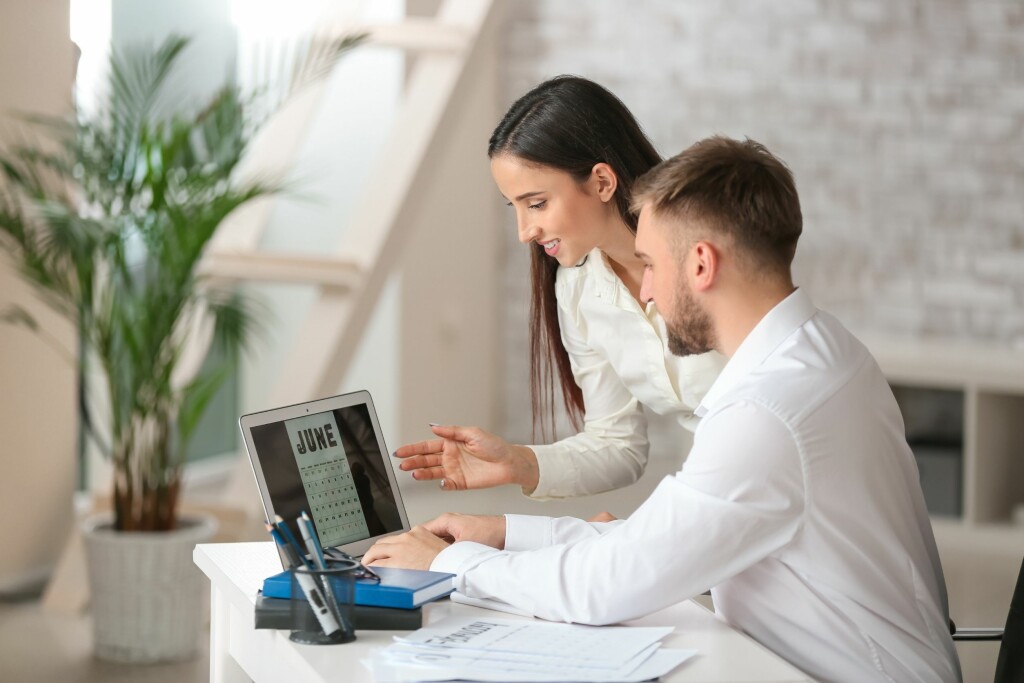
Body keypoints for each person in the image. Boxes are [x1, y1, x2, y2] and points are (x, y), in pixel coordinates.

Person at [364, 136, 963, 682]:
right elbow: (671, 540)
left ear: (701, 264)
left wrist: (452, 562)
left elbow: (605, 587)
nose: (644, 291)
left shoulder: (764, 414)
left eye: (650, 264)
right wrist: (505, 533)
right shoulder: (824, 352)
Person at [395, 76, 724, 499]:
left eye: (536, 203)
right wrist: (516, 462)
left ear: (602, 183)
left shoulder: (708, 250)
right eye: (514, 207)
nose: (524, 231)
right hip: (720, 486)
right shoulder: (577, 288)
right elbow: (616, 444)